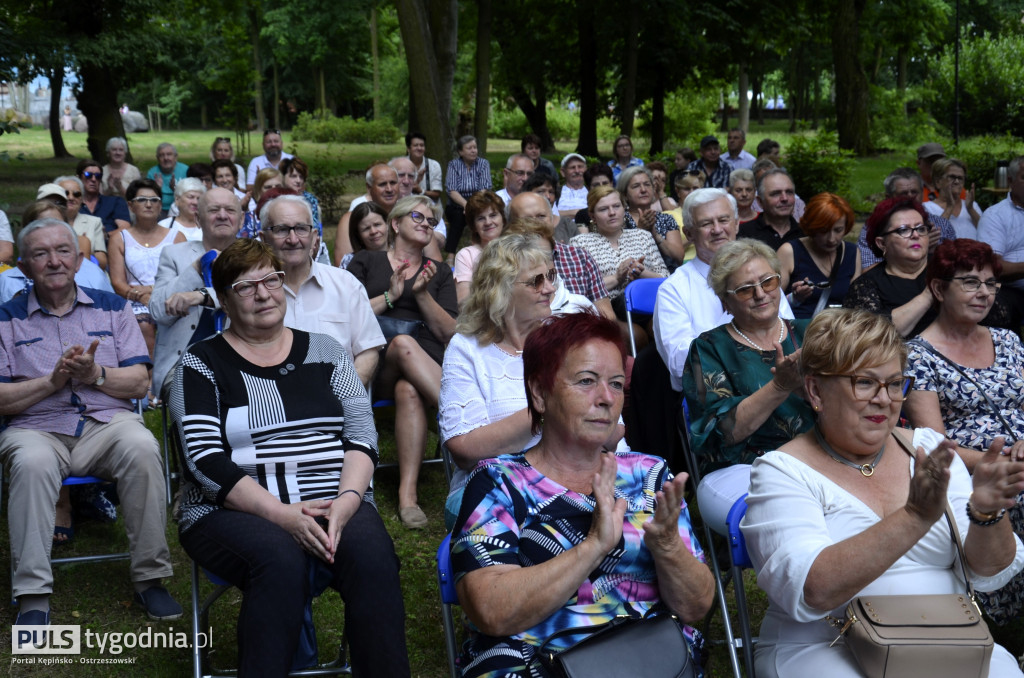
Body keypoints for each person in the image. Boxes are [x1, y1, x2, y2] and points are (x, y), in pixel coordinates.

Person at [740, 308, 1024, 678]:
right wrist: (914, 518)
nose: (884, 399)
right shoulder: (782, 471)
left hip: (946, 635)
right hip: (826, 645)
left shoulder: (928, 449)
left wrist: (987, 515)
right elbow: (814, 590)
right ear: (815, 390)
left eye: (895, 384)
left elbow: (989, 572)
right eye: (864, 382)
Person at [171, 238, 409, 677]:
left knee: (373, 558)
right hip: (232, 509)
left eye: (271, 280)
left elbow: (361, 437)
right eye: (245, 287)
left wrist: (348, 501)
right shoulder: (200, 364)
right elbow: (204, 459)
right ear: (223, 300)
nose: (263, 294)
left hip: (332, 498)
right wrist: (282, 515)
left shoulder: (327, 352)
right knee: (279, 560)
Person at [450, 312, 715, 678]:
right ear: (540, 394)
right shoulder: (499, 482)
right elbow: (491, 611)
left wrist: (668, 547)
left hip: (650, 661)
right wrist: (594, 546)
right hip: (537, 664)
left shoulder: (648, 475)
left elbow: (696, 606)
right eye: (587, 381)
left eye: (618, 384)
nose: (606, 398)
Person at [1, 218, 181, 627]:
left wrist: (94, 375)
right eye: (40, 254)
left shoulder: (113, 307)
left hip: (105, 424)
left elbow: (139, 381)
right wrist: (52, 381)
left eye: (63, 251)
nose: (54, 261)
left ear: (79, 259)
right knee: (30, 463)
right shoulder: (4, 318)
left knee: (141, 446)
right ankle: (32, 593)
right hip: (36, 428)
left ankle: (150, 578)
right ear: (25, 267)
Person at [903, 239, 1024, 623]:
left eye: (991, 283)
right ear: (939, 289)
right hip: (972, 471)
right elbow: (934, 441)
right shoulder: (917, 355)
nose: (984, 293)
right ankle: (996, 612)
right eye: (971, 282)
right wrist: (1005, 458)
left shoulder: (1008, 340)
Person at [348, 195, 457, 529]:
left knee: (409, 390)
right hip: (375, 358)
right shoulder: (366, 261)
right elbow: (347, 317)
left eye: (431, 221)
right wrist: (391, 297)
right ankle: (463, 420)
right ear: (395, 223)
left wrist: (422, 295)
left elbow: (449, 332)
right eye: (418, 217)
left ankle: (407, 498)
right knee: (403, 344)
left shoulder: (439, 271)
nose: (426, 223)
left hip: (425, 357)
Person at [440, 234, 557, 525]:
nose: (550, 288)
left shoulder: (566, 339)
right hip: (491, 487)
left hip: (573, 477)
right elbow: (465, 450)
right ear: (500, 290)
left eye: (551, 276)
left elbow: (613, 431)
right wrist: (550, 411)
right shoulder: (467, 348)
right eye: (536, 281)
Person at [683, 239, 813, 474]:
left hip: (817, 455)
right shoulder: (708, 347)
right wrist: (779, 387)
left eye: (768, 282)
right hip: (747, 469)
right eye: (745, 289)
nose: (761, 294)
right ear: (726, 302)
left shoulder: (812, 332)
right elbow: (717, 435)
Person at [654, 188, 796, 392]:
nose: (717, 229)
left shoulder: (762, 276)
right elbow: (679, 365)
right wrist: (735, 309)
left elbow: (788, 333)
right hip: (714, 397)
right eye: (706, 223)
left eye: (723, 220)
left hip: (778, 382)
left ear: (737, 224)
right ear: (689, 234)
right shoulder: (674, 288)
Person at [259, 195, 384, 388]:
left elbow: (368, 351)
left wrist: (345, 397)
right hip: (275, 410)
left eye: (301, 228)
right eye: (282, 230)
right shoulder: (252, 293)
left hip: (342, 407)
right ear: (264, 238)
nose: (293, 239)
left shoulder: (345, 284)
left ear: (314, 236)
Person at [150, 187, 243, 398]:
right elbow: (157, 312)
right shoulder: (173, 254)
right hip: (182, 365)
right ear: (198, 220)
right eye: (213, 210)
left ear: (242, 219)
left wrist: (202, 295)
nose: (222, 215)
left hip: (244, 359)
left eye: (229, 209)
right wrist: (197, 268)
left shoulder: (254, 257)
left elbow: (252, 300)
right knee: (200, 395)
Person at [109, 179, 183, 403]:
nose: (149, 204)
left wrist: (152, 291)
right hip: (133, 298)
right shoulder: (119, 238)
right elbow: (117, 282)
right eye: (142, 200)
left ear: (161, 205)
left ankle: (174, 379)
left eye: (154, 200)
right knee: (143, 323)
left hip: (170, 294)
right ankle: (151, 382)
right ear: (131, 205)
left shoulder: (176, 236)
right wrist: (141, 295)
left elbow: (183, 278)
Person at [570, 185, 668, 345]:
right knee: (635, 336)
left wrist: (641, 272)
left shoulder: (642, 236)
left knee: (662, 328)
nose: (612, 213)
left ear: (624, 209)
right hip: (607, 309)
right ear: (592, 215)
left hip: (648, 305)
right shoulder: (580, 243)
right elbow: (579, 290)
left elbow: (665, 280)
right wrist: (617, 277)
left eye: (616, 206)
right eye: (603, 209)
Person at [508, 192, 615, 320]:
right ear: (511, 224)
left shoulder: (580, 257)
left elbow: (606, 316)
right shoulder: (503, 264)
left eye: (541, 216)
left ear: (552, 219)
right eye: (527, 219)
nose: (536, 224)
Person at [843, 197, 936, 337]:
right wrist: (929, 294)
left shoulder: (948, 268)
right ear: (881, 243)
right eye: (904, 230)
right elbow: (872, 338)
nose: (916, 235)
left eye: (921, 228)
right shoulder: (866, 286)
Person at [777, 193, 861, 318]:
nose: (831, 239)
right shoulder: (789, 252)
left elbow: (858, 301)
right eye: (824, 231)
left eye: (838, 230)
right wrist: (795, 298)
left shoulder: (852, 253)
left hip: (841, 330)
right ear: (812, 227)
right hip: (800, 330)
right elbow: (772, 300)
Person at [858, 167, 957, 269]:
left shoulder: (942, 225)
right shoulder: (872, 227)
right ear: (888, 197)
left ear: (923, 193)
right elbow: (867, 269)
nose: (911, 197)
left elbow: (955, 267)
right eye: (903, 193)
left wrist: (933, 252)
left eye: (914, 192)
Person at [334, 164, 405, 266]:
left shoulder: (408, 215)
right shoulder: (350, 219)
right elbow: (343, 267)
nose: (389, 189)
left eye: (393, 183)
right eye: (382, 184)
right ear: (368, 187)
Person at [618, 165, 687, 269]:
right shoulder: (618, 220)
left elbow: (679, 257)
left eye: (647, 184)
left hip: (668, 277)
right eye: (636, 186)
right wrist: (640, 231)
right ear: (625, 194)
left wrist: (655, 234)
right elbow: (619, 257)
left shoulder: (666, 219)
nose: (643, 190)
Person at [444, 135, 492, 264]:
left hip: (479, 200)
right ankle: (450, 256)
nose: (473, 151)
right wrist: (466, 206)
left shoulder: (483, 164)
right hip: (457, 203)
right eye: (469, 148)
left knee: (482, 216)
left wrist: (473, 205)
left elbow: (484, 188)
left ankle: (484, 252)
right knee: (459, 217)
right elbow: (452, 191)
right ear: (460, 151)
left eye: (475, 147)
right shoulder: (453, 165)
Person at [454, 190, 508, 302]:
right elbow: (463, 302)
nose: (488, 222)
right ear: (474, 226)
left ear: (503, 218)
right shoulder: (466, 255)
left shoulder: (517, 249)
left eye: (493, 215)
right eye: (481, 218)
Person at [52, 177, 107, 270]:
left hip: (90, 274)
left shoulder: (94, 222)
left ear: (82, 199)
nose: (71, 197)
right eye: (66, 193)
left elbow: (102, 263)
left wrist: (86, 247)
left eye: (76, 194)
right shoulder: (47, 222)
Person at [739, 168, 800, 249]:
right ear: (760, 202)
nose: (784, 198)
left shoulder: (806, 234)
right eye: (776, 194)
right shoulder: (744, 235)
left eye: (789, 192)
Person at [925, 158, 982, 240]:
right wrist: (949, 207)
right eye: (952, 177)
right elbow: (935, 238)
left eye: (960, 178)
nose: (957, 182)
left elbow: (987, 232)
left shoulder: (972, 206)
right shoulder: (927, 208)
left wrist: (970, 209)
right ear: (938, 182)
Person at [78, 159, 131, 233]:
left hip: (109, 243)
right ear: (78, 178)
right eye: (88, 175)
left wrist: (105, 236)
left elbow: (125, 229)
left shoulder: (115, 202)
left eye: (98, 176)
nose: (93, 179)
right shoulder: (73, 205)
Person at [340, 202, 389, 270]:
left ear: (387, 224)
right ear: (358, 234)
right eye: (366, 228)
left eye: (377, 225)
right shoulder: (350, 261)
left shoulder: (402, 254)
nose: (373, 231)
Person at [146, 143, 190, 216]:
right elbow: (147, 197)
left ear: (175, 157)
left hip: (180, 208)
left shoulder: (185, 170)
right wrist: (157, 189)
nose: (166, 158)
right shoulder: (152, 173)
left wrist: (176, 189)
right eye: (161, 155)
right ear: (157, 158)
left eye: (169, 154)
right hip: (158, 209)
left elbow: (191, 195)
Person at [240, 168, 284, 238]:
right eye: (268, 187)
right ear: (258, 191)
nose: (273, 191)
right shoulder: (248, 219)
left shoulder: (293, 215)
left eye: (278, 187)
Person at [158, 177, 206, 242]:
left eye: (198, 198)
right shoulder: (164, 225)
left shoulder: (207, 226)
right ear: (177, 199)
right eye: (191, 197)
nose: (195, 202)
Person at [405, 131, 442, 204]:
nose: (419, 148)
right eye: (416, 145)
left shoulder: (434, 165)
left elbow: (436, 194)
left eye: (422, 145)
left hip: (429, 206)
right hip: (406, 206)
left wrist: (421, 191)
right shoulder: (400, 165)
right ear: (408, 149)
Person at [556, 153, 588, 218]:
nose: (577, 171)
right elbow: (548, 213)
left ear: (586, 169)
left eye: (580, 167)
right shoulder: (555, 192)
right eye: (572, 167)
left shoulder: (592, 191)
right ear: (563, 172)